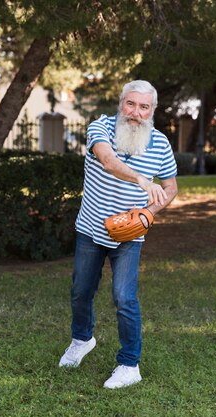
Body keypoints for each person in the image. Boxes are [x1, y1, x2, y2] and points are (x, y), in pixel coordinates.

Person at [58, 80, 178, 389]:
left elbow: (171, 187)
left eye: (143, 107)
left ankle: (129, 365)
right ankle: (82, 339)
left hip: (130, 234)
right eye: (131, 104)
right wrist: (141, 180)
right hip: (91, 227)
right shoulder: (101, 127)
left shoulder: (160, 143)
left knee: (124, 297)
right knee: (81, 291)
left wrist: (148, 214)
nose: (135, 113)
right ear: (120, 103)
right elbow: (109, 162)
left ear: (151, 111)